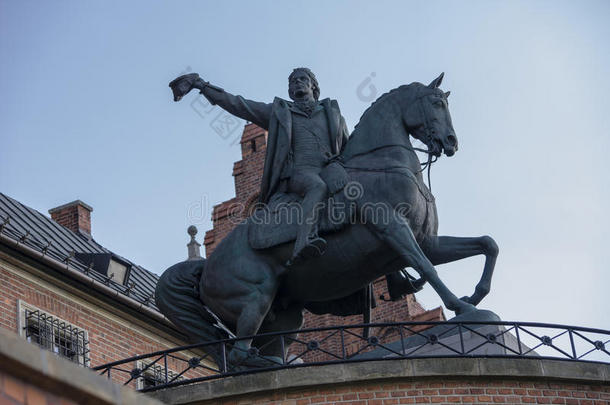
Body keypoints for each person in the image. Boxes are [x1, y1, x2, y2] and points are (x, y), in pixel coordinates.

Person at [182, 68, 349, 265]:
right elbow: (239, 105)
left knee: (366, 191)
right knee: (317, 187)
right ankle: (304, 242)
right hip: (299, 174)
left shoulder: (332, 113)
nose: (297, 83)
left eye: (302, 79)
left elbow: (348, 149)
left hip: (329, 170)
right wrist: (202, 85)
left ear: (313, 84)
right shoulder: (280, 113)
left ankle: (390, 272)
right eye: (293, 81)